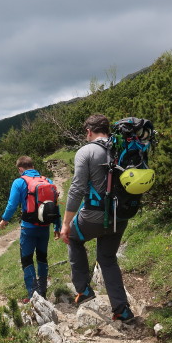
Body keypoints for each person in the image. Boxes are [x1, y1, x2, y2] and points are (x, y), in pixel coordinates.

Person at [59, 114, 134, 321]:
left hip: (93, 216)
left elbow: (76, 190)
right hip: (120, 216)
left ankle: (83, 290)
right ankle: (122, 310)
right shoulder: (121, 149)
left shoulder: (86, 151)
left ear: (89, 132)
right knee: (107, 259)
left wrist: (66, 224)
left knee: (73, 238)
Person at [0, 156, 61, 302]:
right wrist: (57, 226)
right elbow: (55, 204)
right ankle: (43, 291)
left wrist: (5, 219)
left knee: (27, 259)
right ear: (32, 166)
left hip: (28, 228)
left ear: (20, 169)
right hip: (44, 227)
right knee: (42, 257)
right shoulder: (48, 181)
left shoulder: (19, 182)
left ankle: (33, 295)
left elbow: (12, 204)